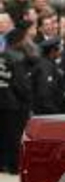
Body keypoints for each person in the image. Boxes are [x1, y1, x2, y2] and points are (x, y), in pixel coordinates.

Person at [0, 27, 33, 173]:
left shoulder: (1, 56)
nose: (26, 42)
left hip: (2, 101)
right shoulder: (18, 58)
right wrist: (28, 98)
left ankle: (2, 164)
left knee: (3, 135)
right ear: (18, 41)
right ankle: (14, 166)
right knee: (15, 136)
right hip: (14, 104)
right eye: (24, 39)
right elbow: (21, 85)